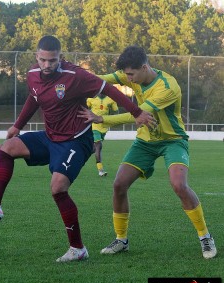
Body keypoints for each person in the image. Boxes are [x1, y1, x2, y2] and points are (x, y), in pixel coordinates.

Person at [0, 36, 156, 263]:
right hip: (51, 136)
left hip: (76, 140)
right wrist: (18, 125)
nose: (47, 65)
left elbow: (109, 89)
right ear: (36, 57)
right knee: (7, 148)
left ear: (60, 57)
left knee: (57, 187)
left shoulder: (75, 76)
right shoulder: (32, 75)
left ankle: (77, 249)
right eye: (43, 60)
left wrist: (137, 113)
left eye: (53, 60)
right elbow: (34, 98)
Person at [78, 45, 217, 259]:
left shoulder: (167, 86)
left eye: (131, 74)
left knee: (179, 185)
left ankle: (205, 237)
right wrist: (72, 76)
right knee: (118, 184)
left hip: (173, 140)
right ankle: (121, 240)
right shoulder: (131, 76)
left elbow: (139, 115)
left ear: (144, 67)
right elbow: (101, 78)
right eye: (126, 74)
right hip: (145, 141)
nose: (128, 79)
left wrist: (101, 118)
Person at [87, 94, 118, 176]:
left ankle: (80, 155)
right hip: (94, 126)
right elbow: (85, 107)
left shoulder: (110, 99)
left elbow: (115, 111)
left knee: (94, 149)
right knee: (99, 146)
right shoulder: (91, 98)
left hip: (104, 126)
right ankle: (100, 170)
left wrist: (113, 103)